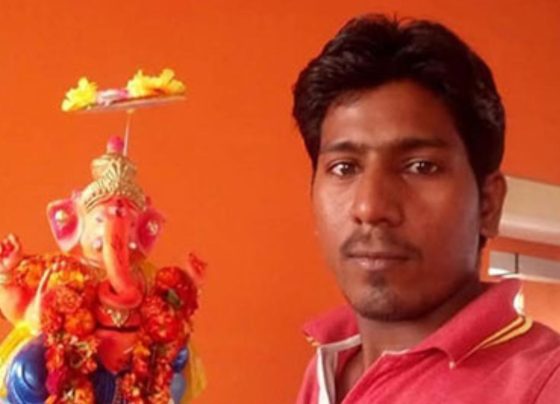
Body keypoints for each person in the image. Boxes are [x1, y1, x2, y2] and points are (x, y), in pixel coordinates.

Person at [292, 14, 560, 404]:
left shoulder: (544, 384)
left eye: (421, 166)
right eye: (344, 168)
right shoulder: (328, 362)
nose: (370, 207)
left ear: (488, 204)